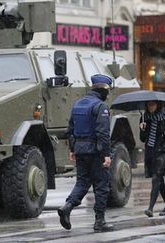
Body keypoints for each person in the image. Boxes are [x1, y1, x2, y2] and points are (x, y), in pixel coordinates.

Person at [57, 74, 114, 233]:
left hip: (81, 150)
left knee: (82, 182)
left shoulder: (78, 104)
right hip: (96, 152)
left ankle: (67, 207)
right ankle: (100, 221)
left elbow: (70, 130)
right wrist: (106, 154)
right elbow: (103, 133)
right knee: (101, 185)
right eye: (107, 92)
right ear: (104, 90)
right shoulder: (100, 106)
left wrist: (73, 150)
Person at [139, 101, 165, 217]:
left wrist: (163, 148)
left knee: (156, 178)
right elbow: (142, 139)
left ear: (158, 105)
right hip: (150, 152)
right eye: (149, 105)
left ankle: (150, 208)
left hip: (162, 153)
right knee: (159, 181)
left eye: (153, 104)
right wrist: (142, 129)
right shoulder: (144, 118)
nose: (151, 106)